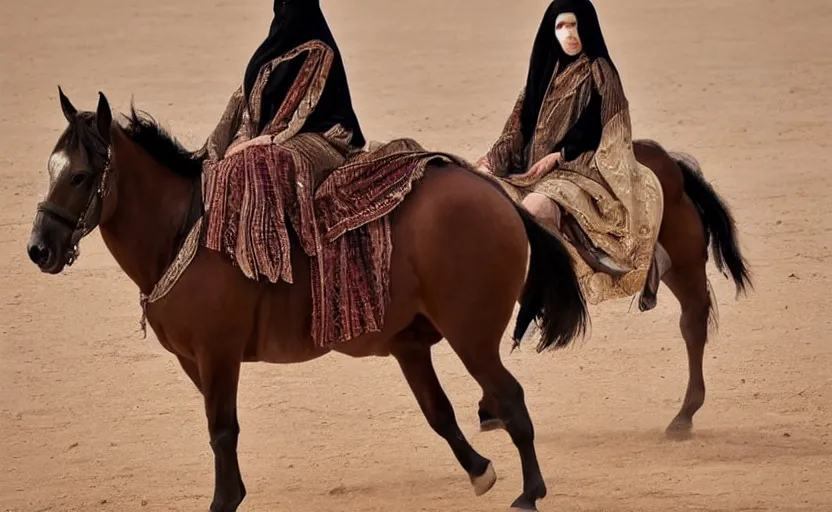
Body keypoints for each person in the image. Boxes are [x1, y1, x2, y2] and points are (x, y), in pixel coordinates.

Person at [478, 0, 665, 311]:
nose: (569, 34)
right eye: (561, 26)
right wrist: (491, 161)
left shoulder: (598, 70)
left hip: (580, 166)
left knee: (534, 210)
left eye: (575, 25)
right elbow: (518, 126)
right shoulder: (543, 72)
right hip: (532, 168)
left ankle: (581, 270)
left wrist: (559, 155)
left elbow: (599, 124)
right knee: (490, 201)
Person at [201, 0, 365, 162]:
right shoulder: (270, 53)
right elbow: (248, 102)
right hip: (269, 133)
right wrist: (243, 136)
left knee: (271, 161)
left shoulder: (318, 51)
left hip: (323, 134)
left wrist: (259, 141)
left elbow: (298, 116)